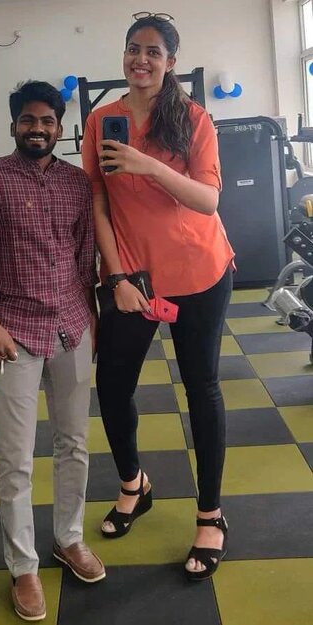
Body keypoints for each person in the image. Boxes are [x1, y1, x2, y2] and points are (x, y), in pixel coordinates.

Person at [81, 14, 235, 581]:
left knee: (201, 388)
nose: (139, 60)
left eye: (152, 51)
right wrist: (117, 276)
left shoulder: (192, 119)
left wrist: (145, 164)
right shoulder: (101, 120)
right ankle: (133, 486)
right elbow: (97, 201)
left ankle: (210, 515)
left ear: (170, 62)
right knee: (112, 386)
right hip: (132, 279)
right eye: (132, 49)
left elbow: (208, 200)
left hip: (199, 271)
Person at [0, 80, 105, 622]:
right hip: (10, 330)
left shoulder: (77, 183)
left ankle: (69, 538)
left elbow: (85, 260)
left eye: (47, 122)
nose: (37, 129)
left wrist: (93, 321)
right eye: (28, 120)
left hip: (71, 327)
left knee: (74, 444)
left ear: (60, 129)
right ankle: (23, 566)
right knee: (15, 457)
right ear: (13, 124)